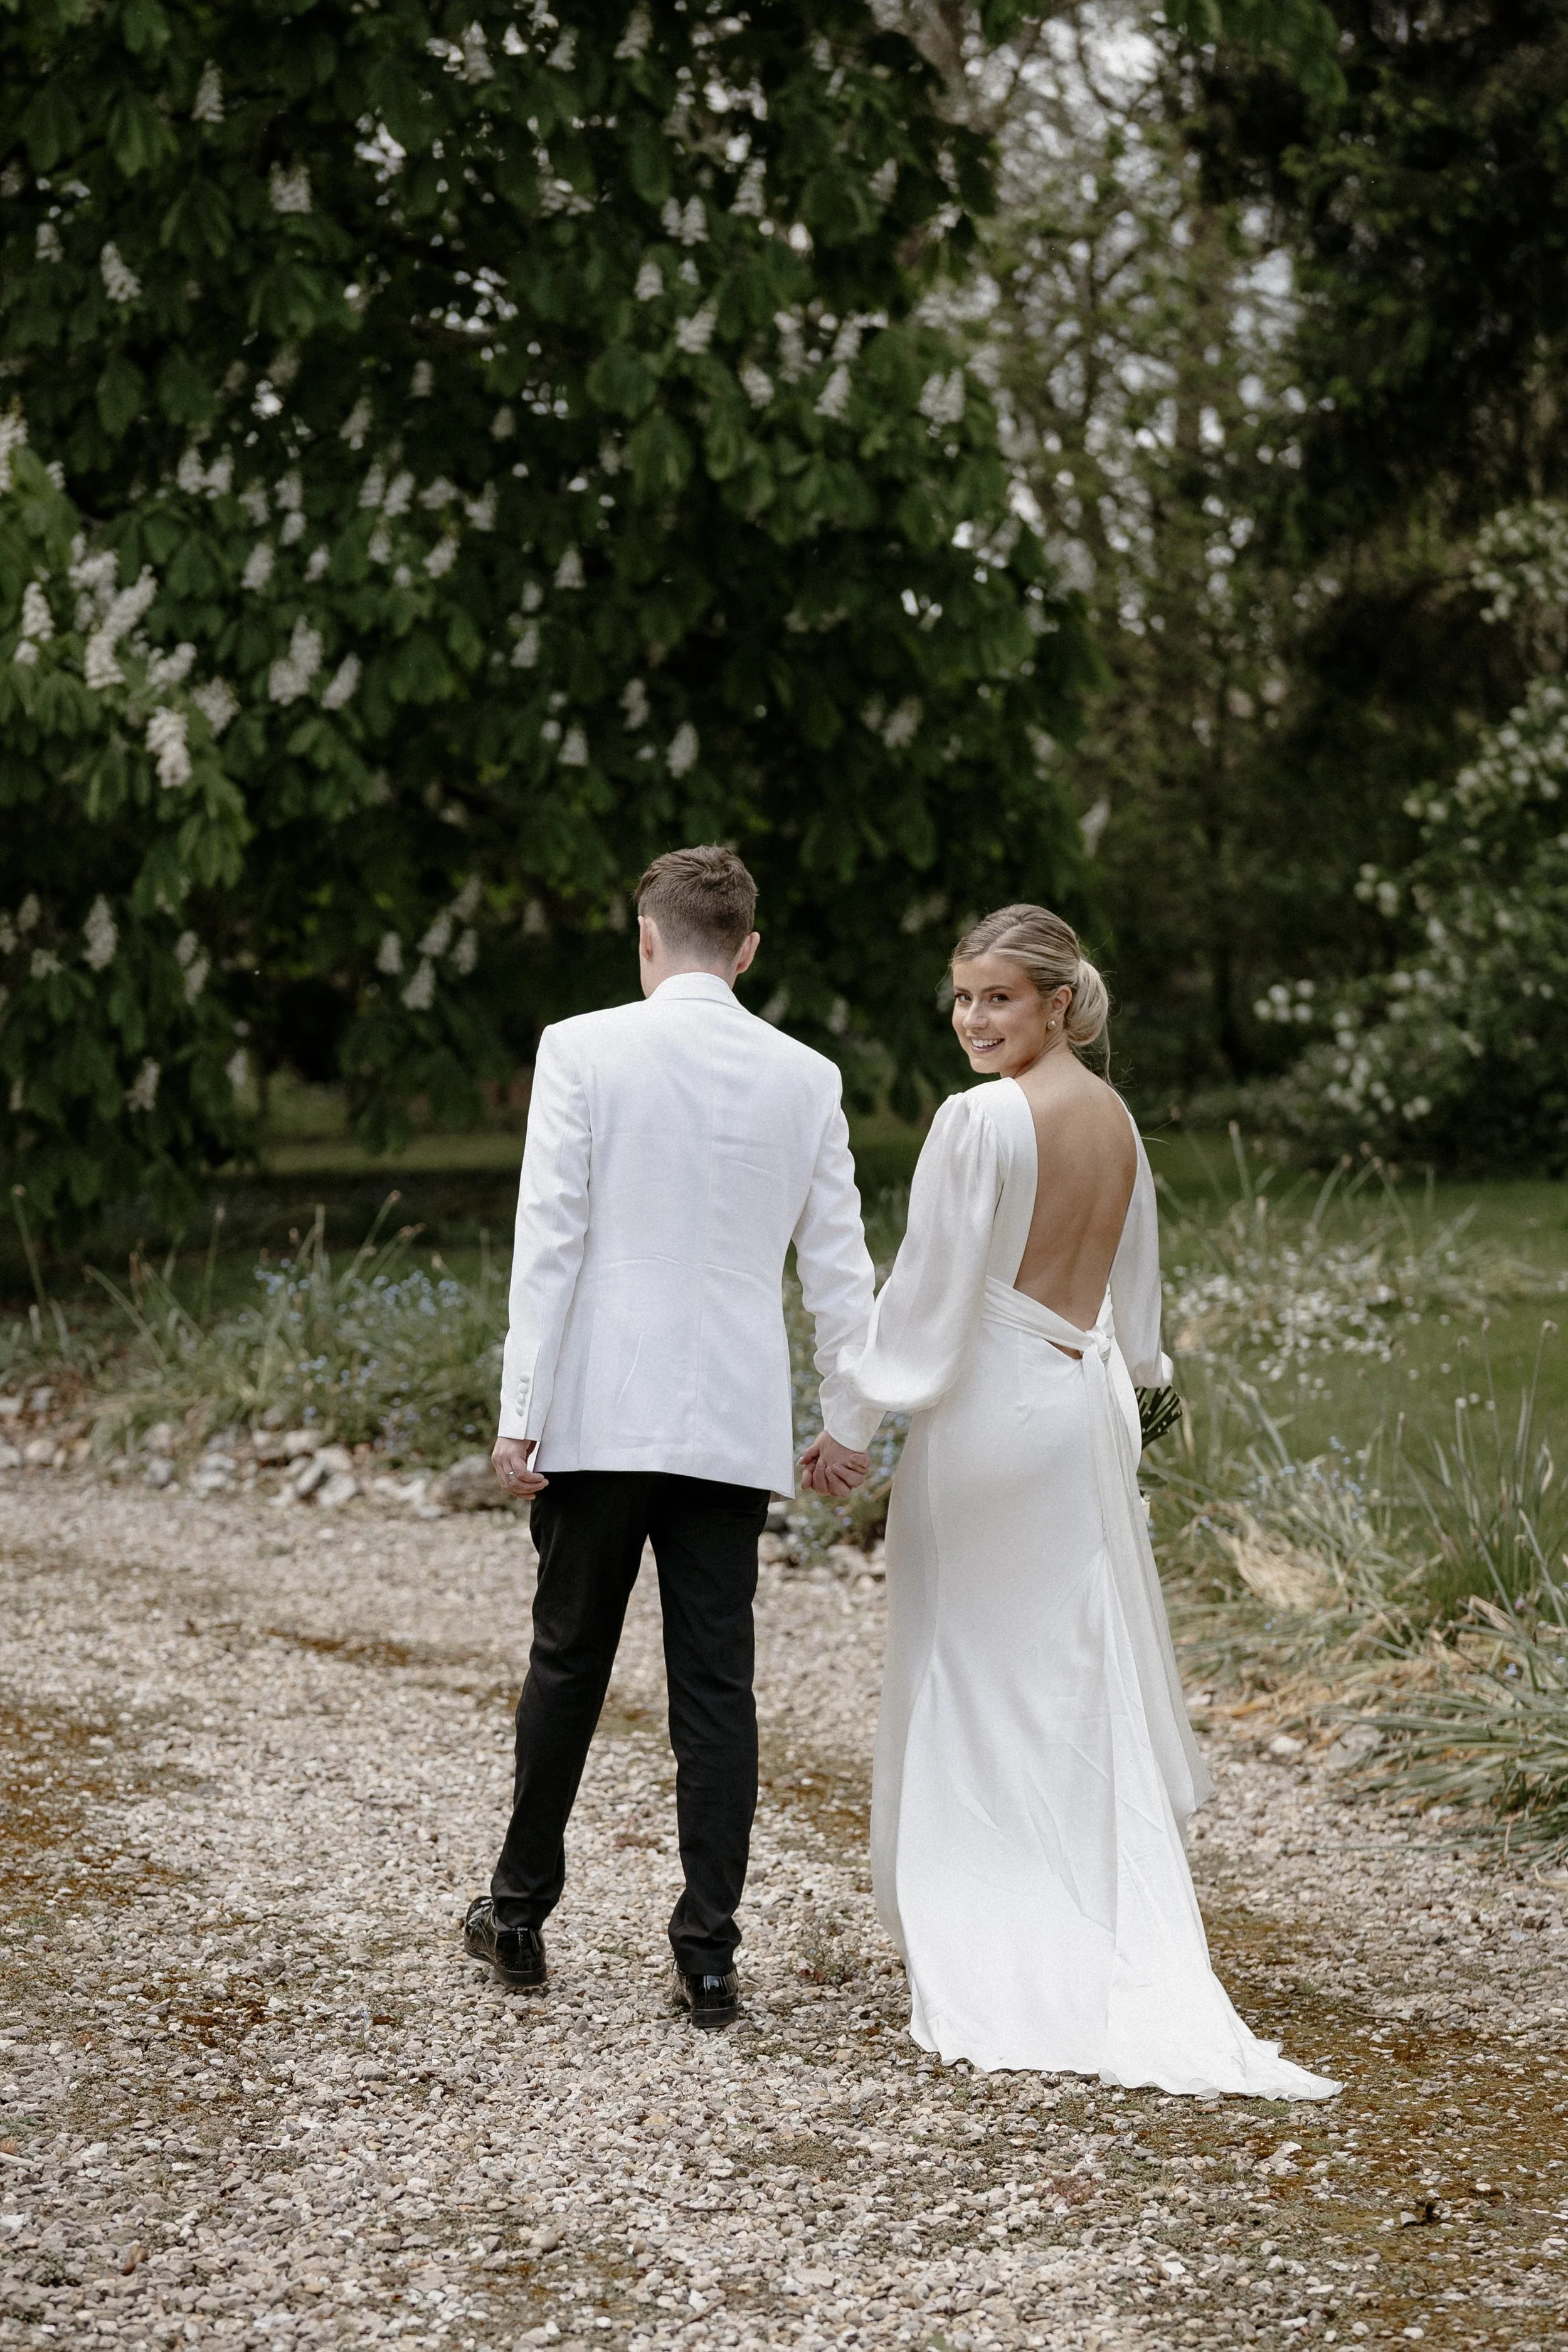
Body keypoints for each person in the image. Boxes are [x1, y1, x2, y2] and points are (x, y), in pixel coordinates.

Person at [801, 904, 1339, 2098]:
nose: (974, 1020)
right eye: (962, 997)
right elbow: (1133, 1306)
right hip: (1076, 1403)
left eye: (999, 997)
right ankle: (1088, 1907)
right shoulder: (1118, 1119)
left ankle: (1001, 1926)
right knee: (1062, 1670)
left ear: (1057, 1001)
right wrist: (1140, 1393)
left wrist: (850, 1422)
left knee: (976, 1668)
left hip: (994, 1416)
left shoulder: (981, 1119)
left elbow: (930, 1297)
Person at [465, 845, 877, 2026]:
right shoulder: (808, 1076)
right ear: (747, 949)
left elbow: (548, 1238)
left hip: (600, 1413)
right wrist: (845, 1423)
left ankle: (521, 1913)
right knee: (716, 1687)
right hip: (729, 1427)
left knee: (567, 1659)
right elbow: (839, 1272)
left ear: (647, 938)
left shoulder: (582, 1046)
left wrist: (520, 1410)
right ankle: (707, 1953)